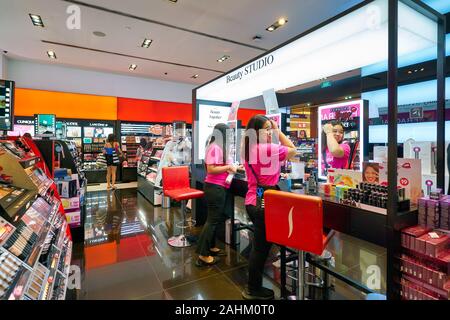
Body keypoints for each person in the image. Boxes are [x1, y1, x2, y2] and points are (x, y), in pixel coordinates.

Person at [242, 115, 297, 300]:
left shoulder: (249, 149)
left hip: (254, 198)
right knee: (260, 249)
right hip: (265, 200)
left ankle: (252, 282)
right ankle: (253, 289)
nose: (270, 131)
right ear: (256, 131)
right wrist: (278, 131)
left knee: (259, 245)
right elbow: (293, 150)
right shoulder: (267, 148)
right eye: (266, 128)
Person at [195, 123, 239, 267]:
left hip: (216, 187)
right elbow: (211, 169)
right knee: (212, 221)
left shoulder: (216, 147)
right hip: (215, 188)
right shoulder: (215, 147)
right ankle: (203, 254)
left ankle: (211, 247)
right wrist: (228, 167)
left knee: (213, 219)